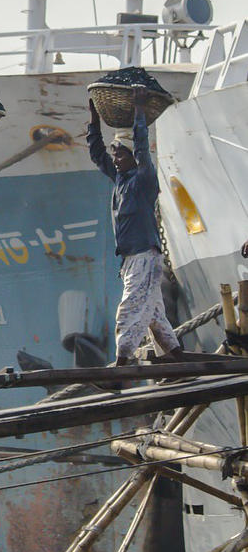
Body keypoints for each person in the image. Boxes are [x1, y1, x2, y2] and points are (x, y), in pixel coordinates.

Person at [88, 87, 183, 366]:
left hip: (145, 256)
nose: (115, 160)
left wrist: (139, 111)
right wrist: (94, 121)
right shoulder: (120, 180)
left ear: (132, 156)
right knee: (154, 316)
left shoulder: (143, 180)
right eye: (115, 155)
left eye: (120, 155)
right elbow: (97, 155)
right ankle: (178, 360)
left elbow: (142, 148)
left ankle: (122, 364)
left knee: (129, 309)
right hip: (131, 259)